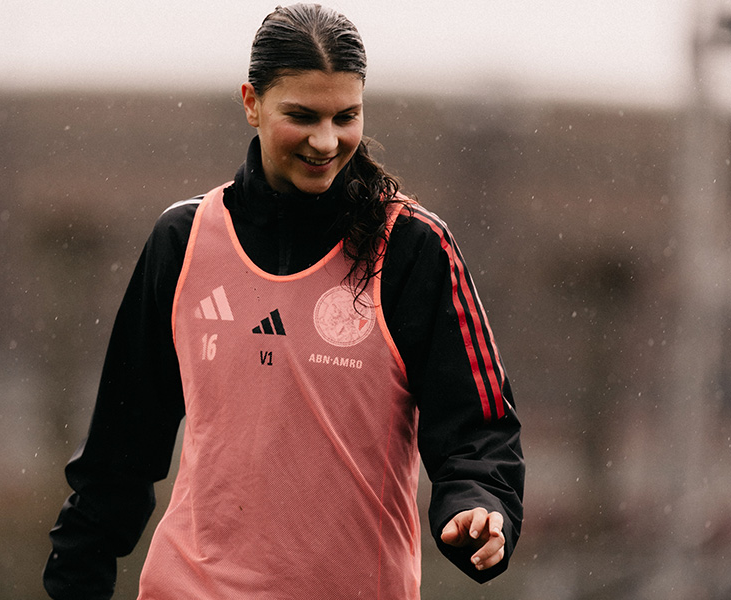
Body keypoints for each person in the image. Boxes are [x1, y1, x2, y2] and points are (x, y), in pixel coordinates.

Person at [43, 4, 524, 599]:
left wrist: (478, 503)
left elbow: (479, 429)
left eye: (346, 116)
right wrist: (75, 575)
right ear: (251, 102)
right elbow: (121, 450)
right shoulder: (184, 241)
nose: (327, 141)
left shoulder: (412, 249)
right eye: (302, 116)